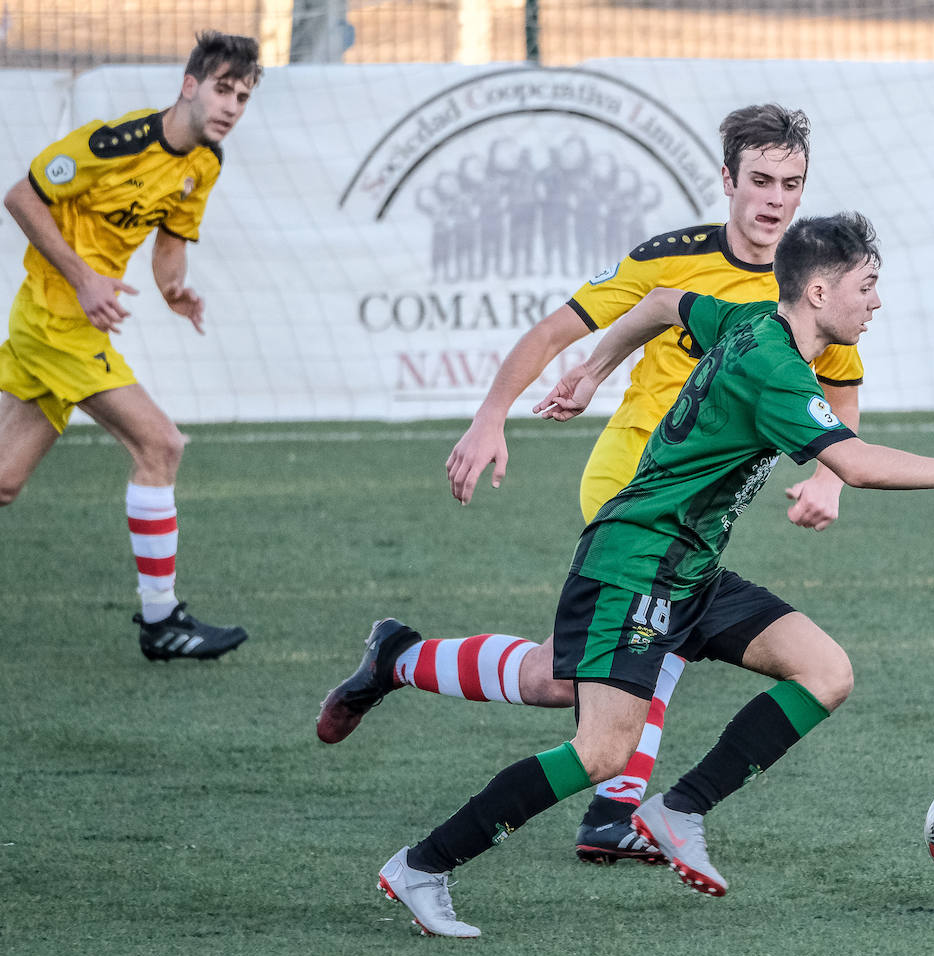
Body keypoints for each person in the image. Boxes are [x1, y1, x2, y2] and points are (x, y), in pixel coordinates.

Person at [366, 211, 934, 937]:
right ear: (817, 290)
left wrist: (595, 368)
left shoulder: (750, 319)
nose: (876, 301)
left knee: (825, 672)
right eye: (866, 286)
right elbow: (855, 463)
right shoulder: (774, 368)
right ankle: (423, 865)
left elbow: (660, 305)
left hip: (689, 568)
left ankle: (679, 808)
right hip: (636, 563)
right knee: (602, 751)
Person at [318, 105, 865, 866]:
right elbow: (559, 331)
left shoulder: (811, 286)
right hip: (633, 486)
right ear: (727, 180)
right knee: (654, 625)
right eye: (761, 181)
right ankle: (618, 809)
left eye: (792, 184)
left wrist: (832, 481)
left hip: (700, 499)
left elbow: (840, 388)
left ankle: (400, 659)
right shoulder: (673, 259)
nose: (775, 200)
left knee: (556, 677)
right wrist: (495, 415)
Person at [0, 31, 261, 661]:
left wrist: (175, 291)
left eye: (244, 97)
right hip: (54, 320)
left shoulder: (204, 163)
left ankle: (162, 620)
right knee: (160, 442)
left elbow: (170, 240)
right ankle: (162, 619)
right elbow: (21, 196)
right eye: (223, 89)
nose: (231, 105)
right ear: (190, 85)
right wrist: (85, 277)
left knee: (4, 480)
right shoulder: (111, 143)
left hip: (76, 326)